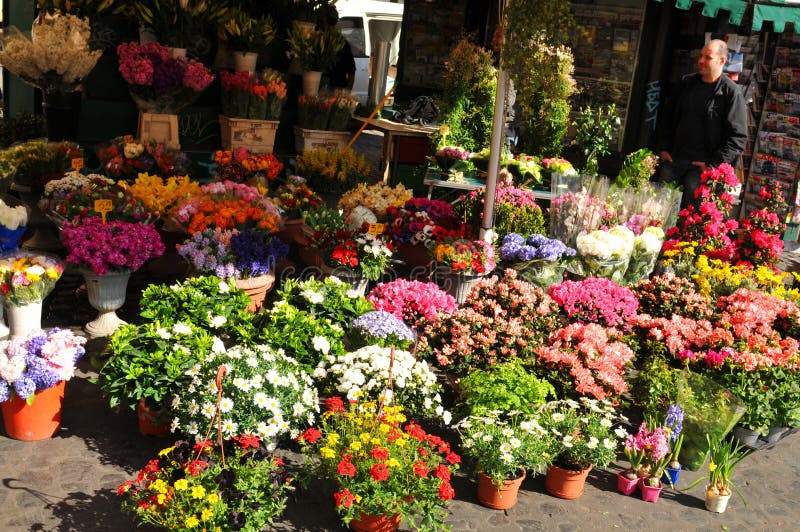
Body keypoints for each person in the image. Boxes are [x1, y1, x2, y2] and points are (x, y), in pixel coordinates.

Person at [656, 39, 748, 208]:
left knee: (690, 220)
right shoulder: (686, 83)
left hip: (700, 170)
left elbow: (738, 137)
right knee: (659, 214)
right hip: (674, 161)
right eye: (701, 56)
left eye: (707, 57)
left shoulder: (731, 93)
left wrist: (713, 164)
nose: (701, 61)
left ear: (721, 60)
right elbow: (667, 117)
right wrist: (664, 147)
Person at [320, 7, 356, 91]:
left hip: (322, 88)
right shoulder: (343, 42)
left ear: (324, 20)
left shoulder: (319, 40)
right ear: (336, 21)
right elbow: (352, 70)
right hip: (338, 89)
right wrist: (346, 92)